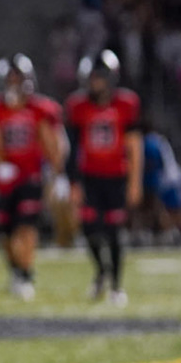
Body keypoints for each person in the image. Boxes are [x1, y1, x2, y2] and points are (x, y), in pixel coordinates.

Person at [0, 53, 65, 300]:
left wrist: (58, 174)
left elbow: (52, 143)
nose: (14, 84)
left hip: (30, 176)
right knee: (6, 233)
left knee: (26, 228)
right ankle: (16, 271)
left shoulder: (40, 109)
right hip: (6, 180)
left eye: (18, 78)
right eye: (11, 78)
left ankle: (26, 274)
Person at [64, 50, 142, 304]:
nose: (95, 83)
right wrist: (73, 182)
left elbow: (134, 145)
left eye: (99, 77)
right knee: (88, 229)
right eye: (92, 78)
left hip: (116, 177)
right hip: (90, 177)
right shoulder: (78, 106)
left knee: (114, 231)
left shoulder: (126, 103)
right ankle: (101, 271)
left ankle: (116, 286)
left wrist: (135, 182)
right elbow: (72, 148)